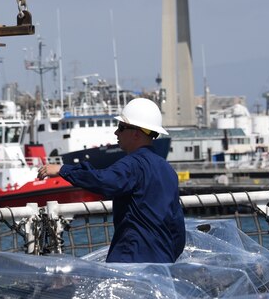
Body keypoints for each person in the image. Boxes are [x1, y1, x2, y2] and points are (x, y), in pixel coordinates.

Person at [37, 97, 184, 263]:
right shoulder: (168, 170)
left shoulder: (132, 165)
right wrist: (166, 259)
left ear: (136, 133)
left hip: (130, 263)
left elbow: (103, 181)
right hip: (162, 265)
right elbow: (177, 229)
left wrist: (63, 170)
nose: (116, 133)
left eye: (121, 127)